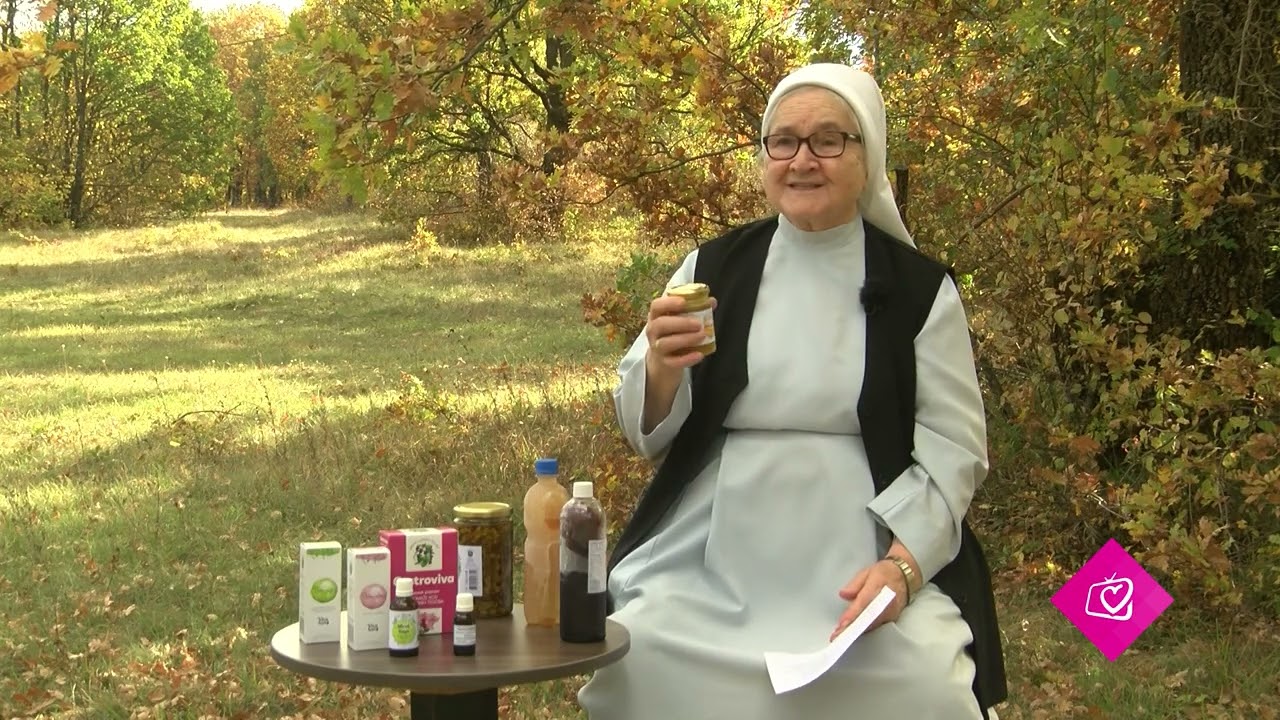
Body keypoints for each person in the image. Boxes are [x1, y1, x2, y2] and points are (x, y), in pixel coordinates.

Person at [576, 63, 1007, 719]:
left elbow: (954, 452)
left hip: (863, 547)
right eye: (783, 141)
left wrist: (902, 570)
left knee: (925, 683)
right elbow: (645, 432)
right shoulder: (713, 269)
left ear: (867, 156)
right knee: (645, 653)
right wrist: (662, 367)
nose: (802, 160)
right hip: (714, 550)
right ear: (764, 157)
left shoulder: (918, 291)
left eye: (828, 140)